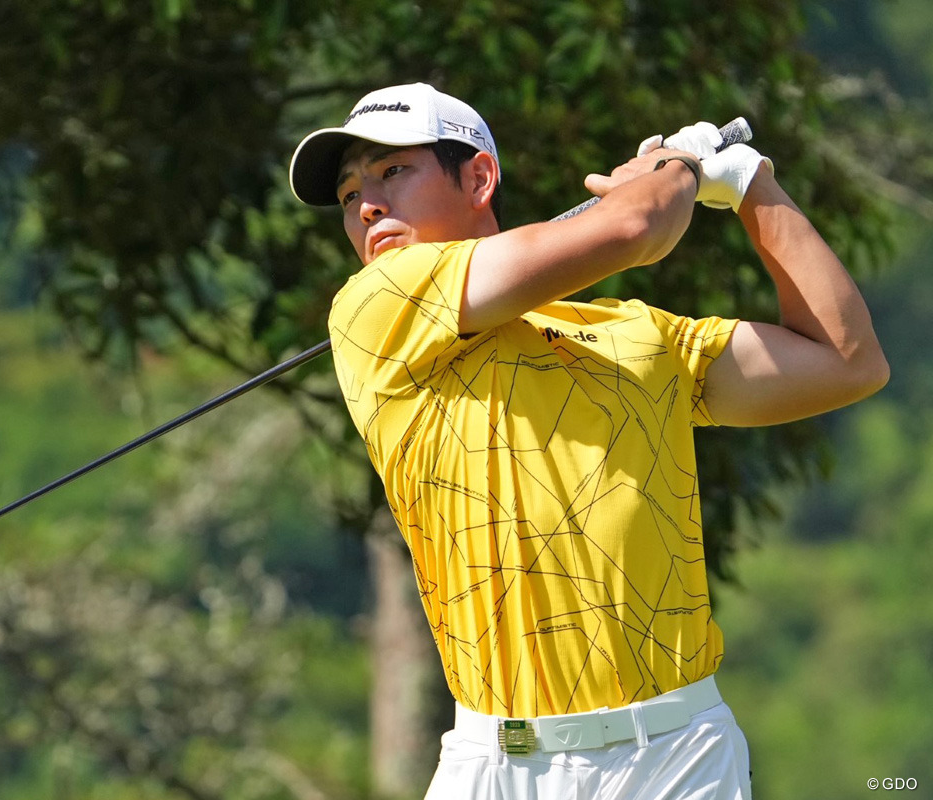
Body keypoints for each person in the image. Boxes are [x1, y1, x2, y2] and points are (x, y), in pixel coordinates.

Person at [288, 82, 889, 799]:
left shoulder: (635, 334)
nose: (367, 205)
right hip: (497, 763)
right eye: (351, 193)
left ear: (478, 177)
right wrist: (681, 166)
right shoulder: (374, 306)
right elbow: (637, 228)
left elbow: (847, 361)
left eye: (392, 172)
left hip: (678, 755)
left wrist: (754, 185)